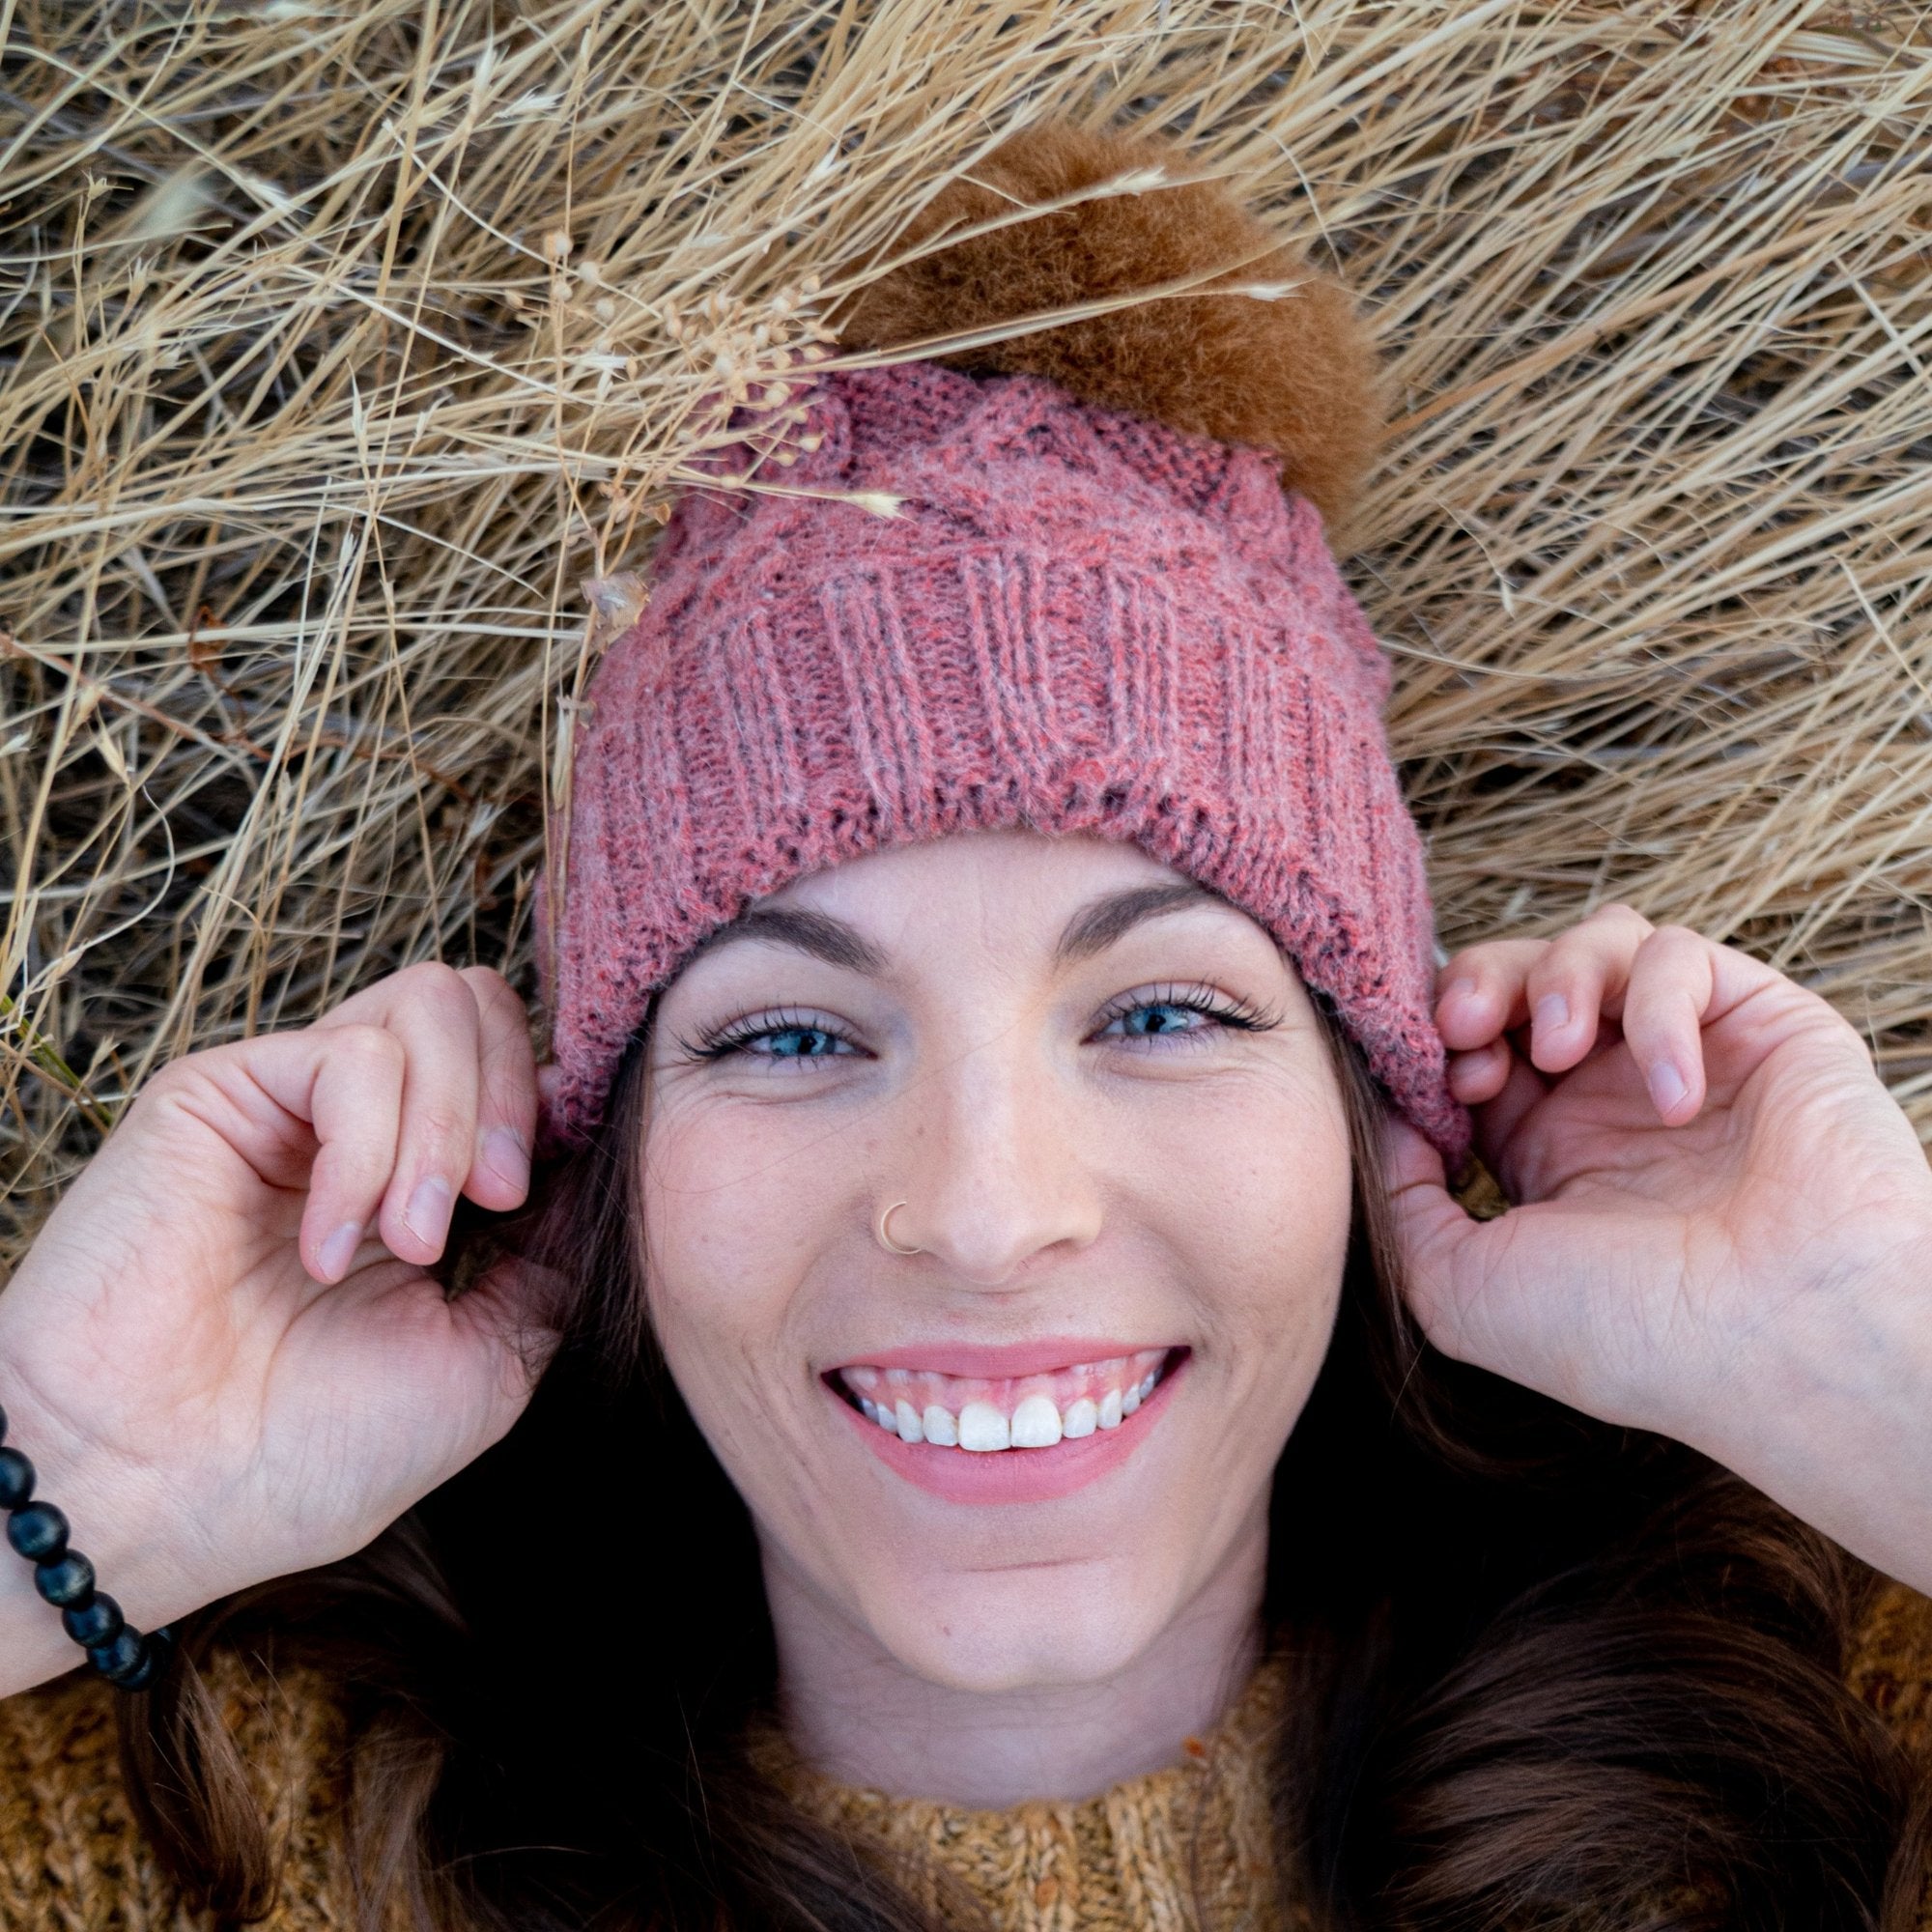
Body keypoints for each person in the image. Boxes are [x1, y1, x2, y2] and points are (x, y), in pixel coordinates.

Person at [1, 120, 1928, 1932]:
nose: (991, 1214)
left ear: (1380, 1115)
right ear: (601, 1169)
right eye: (788, 1038)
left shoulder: (1847, 1740)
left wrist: (1868, 1365)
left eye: (1160, 1010)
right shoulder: (200, 1836)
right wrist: (80, 1485)